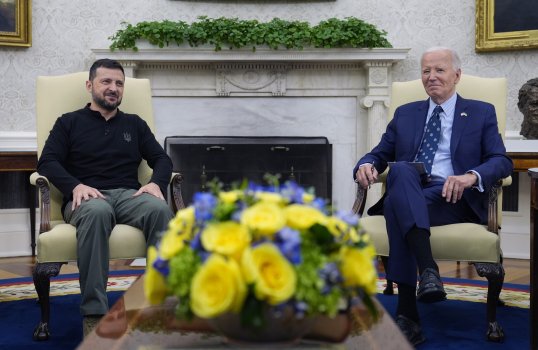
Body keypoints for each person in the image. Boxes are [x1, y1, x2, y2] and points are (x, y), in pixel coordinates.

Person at [353, 47, 513, 345]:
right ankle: (428, 270)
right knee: (400, 171)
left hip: (454, 199)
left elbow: (501, 161)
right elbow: (379, 154)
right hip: (412, 191)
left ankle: (407, 314)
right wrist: (365, 164)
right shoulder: (406, 114)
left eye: (439, 70)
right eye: (426, 71)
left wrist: (470, 177)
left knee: (398, 204)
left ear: (457, 75)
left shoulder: (480, 111)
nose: (431, 77)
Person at [37, 58, 174, 337]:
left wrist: (157, 184)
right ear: (90, 85)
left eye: (119, 83)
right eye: (106, 82)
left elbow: (161, 158)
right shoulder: (69, 123)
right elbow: (47, 161)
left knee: (159, 209)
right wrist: (74, 186)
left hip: (128, 195)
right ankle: (95, 314)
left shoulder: (134, 124)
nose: (113, 88)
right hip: (85, 197)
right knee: (98, 211)